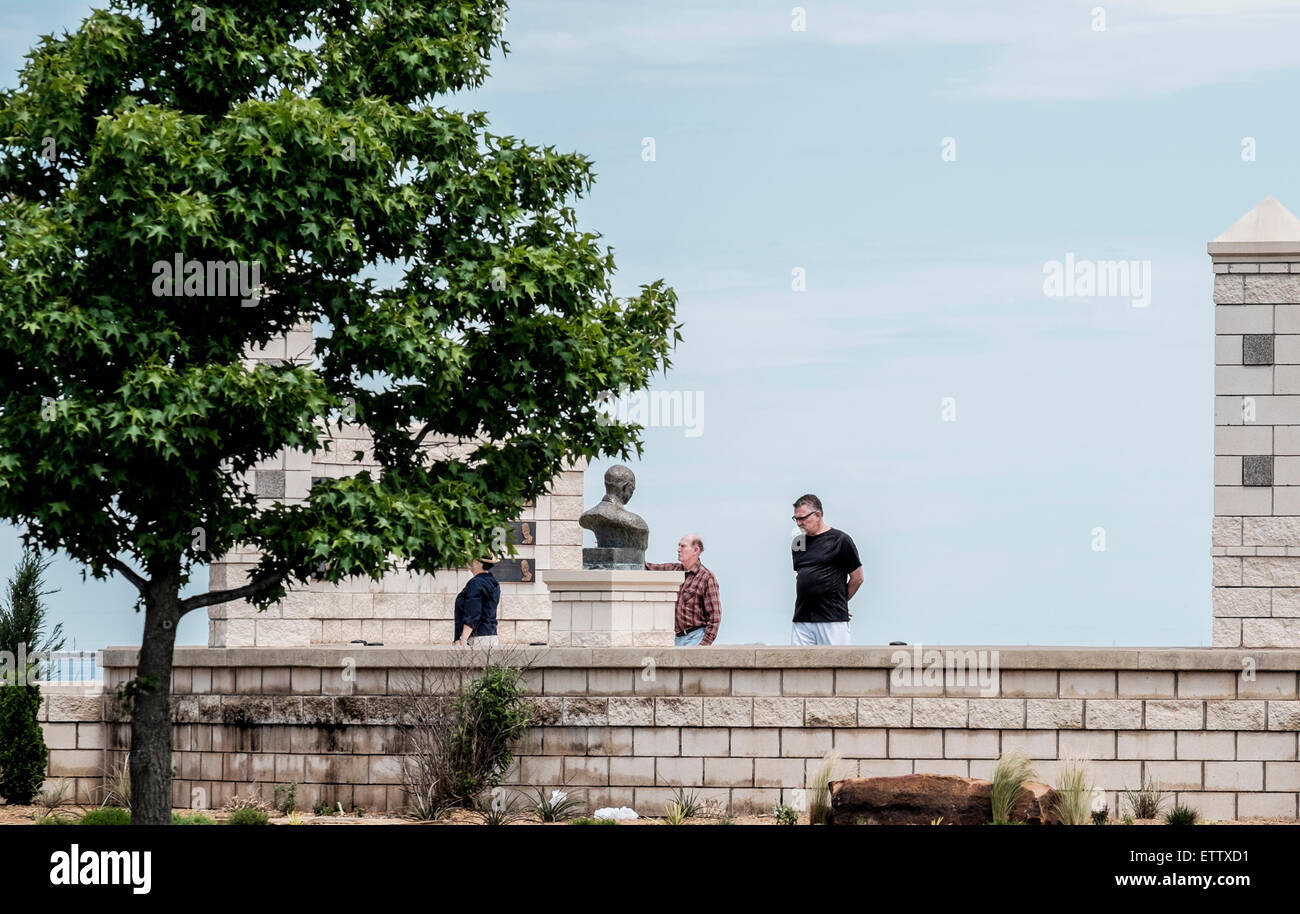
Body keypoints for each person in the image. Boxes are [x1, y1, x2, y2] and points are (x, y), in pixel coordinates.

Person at [790, 495, 862, 645]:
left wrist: (841, 602)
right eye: (795, 519)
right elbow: (802, 576)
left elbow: (857, 577)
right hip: (802, 619)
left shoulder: (840, 540)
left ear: (817, 515)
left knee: (836, 666)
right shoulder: (798, 542)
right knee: (798, 667)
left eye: (802, 518)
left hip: (832, 620)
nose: (798, 523)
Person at [644, 533, 721, 646]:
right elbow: (648, 567)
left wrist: (703, 646)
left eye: (683, 546)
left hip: (695, 637)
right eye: (678, 546)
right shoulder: (674, 570)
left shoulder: (707, 577)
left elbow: (715, 617)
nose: (678, 549)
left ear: (695, 550)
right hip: (675, 639)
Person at [453, 556, 500, 647]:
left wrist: (463, 638)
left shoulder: (476, 583)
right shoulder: (493, 581)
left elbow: (473, 613)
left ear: (478, 563)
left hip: (477, 638)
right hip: (491, 635)